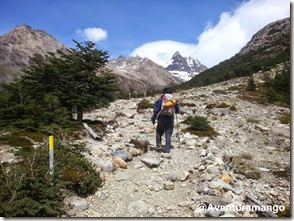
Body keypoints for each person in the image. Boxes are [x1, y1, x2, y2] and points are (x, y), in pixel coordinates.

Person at [151, 88, 180, 153]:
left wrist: (154, 117)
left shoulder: (161, 99)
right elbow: (177, 110)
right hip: (170, 118)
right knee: (168, 132)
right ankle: (167, 148)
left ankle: (159, 145)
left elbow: (156, 109)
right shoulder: (173, 100)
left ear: (164, 92)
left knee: (159, 131)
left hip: (162, 117)